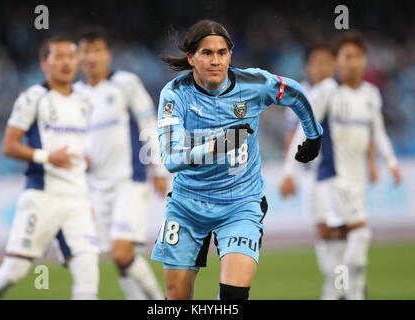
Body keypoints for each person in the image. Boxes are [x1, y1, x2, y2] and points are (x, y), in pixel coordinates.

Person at [150, 19, 323, 300]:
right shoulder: (175, 94)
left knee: (234, 297)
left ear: (231, 54)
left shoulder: (254, 83)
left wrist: (314, 135)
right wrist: (219, 146)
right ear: (191, 57)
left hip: (240, 203)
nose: (215, 60)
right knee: (176, 300)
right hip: (187, 206)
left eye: (222, 52)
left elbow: (294, 92)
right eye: (207, 53)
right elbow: (170, 158)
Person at [0, 35, 99, 300]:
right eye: (59, 56)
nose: (66, 62)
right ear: (45, 63)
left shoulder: (85, 102)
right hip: (43, 197)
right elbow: (9, 145)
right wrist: (46, 157)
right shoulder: (34, 98)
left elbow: (80, 147)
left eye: (71, 56)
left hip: (77, 199)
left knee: (88, 272)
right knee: (12, 273)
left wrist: (85, 168)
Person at [282, 32, 401, 300]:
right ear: (338, 61)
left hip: (355, 178)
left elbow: (377, 132)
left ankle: (340, 292)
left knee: (342, 239)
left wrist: (389, 162)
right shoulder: (325, 91)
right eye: (347, 57)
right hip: (331, 178)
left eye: (358, 57)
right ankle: (342, 289)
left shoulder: (370, 94)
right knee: (357, 235)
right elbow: (304, 132)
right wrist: (289, 171)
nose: (353, 63)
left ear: (365, 60)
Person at [74, 30, 168, 300]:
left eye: (97, 50)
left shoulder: (125, 83)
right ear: (79, 56)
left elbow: (148, 125)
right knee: (121, 258)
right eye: (86, 51)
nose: (91, 57)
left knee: (122, 251)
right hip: (95, 188)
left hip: (129, 181)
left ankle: (161, 302)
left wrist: (158, 169)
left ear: (108, 54)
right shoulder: (76, 94)